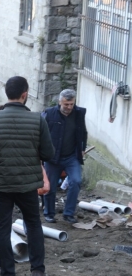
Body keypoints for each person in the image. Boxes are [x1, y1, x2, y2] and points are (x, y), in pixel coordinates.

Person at [0, 76, 55, 276]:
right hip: (28, 184)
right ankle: (38, 271)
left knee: (1, 228)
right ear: (25, 94)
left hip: (0, 185)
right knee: (33, 224)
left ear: (7, 94)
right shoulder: (38, 120)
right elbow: (48, 152)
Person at [0, 104, 50, 231]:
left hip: (2, 183)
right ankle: (32, 242)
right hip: (26, 183)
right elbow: (45, 154)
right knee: (32, 220)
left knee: (1, 221)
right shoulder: (32, 125)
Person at [42, 89, 88, 224]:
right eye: (66, 104)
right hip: (52, 157)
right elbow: (41, 133)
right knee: (50, 187)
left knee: (76, 181)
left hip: (71, 156)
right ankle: (49, 213)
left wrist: (82, 148)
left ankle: (68, 213)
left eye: (71, 104)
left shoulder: (79, 113)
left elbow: (83, 132)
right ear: (59, 102)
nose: (69, 107)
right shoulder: (49, 114)